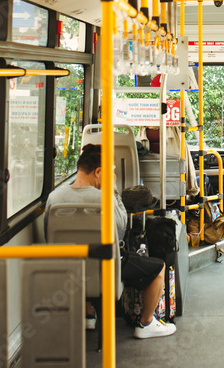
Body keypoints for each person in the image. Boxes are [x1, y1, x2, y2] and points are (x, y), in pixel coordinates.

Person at [46, 144, 176, 339]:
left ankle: (89, 315)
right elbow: (121, 228)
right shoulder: (103, 199)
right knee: (159, 268)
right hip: (106, 269)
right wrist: (112, 190)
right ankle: (146, 324)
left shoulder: (53, 198)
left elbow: (49, 235)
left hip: (66, 272)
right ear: (99, 172)